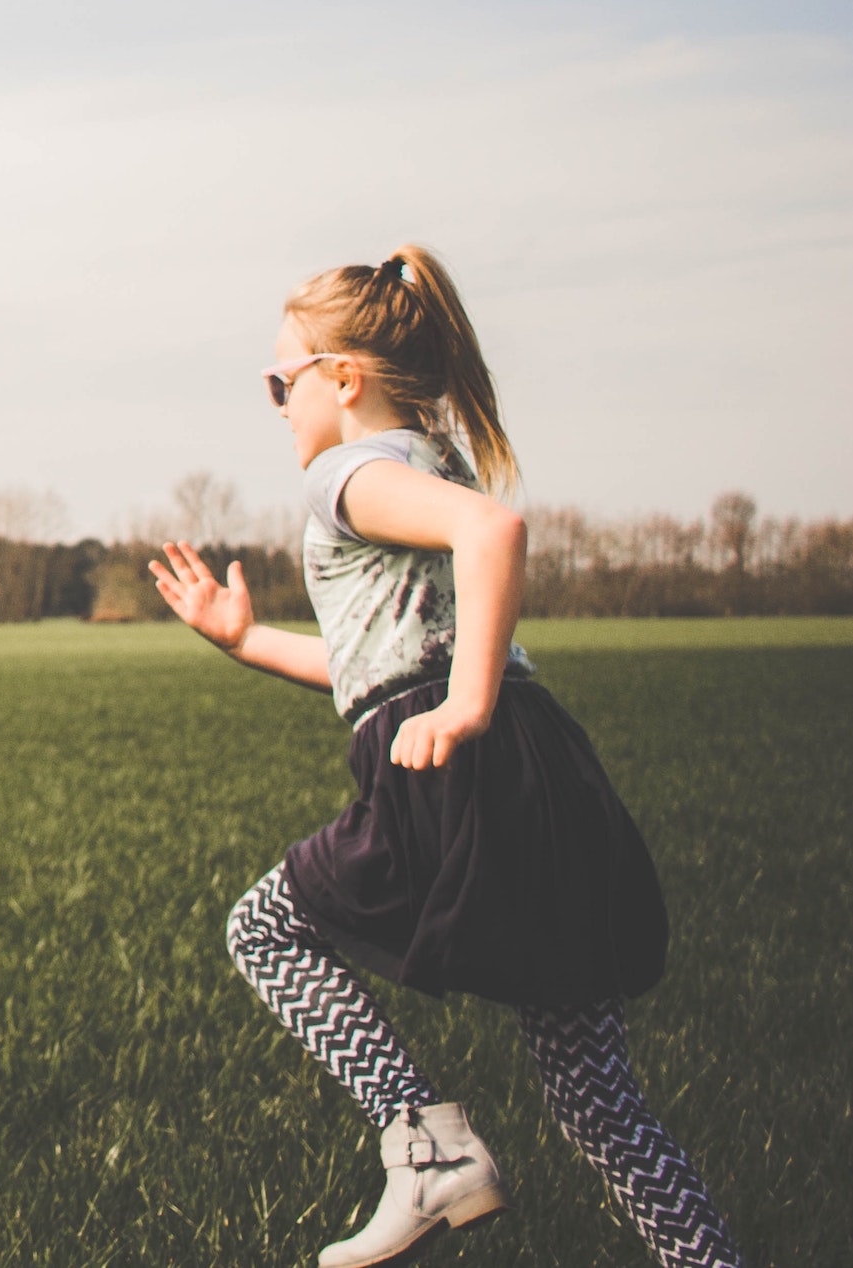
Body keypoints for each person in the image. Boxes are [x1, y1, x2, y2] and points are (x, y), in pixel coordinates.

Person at [147, 246, 742, 1268]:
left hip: (446, 767)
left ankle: (423, 1143)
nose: (276, 401)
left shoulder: (347, 474)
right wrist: (245, 640)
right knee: (595, 1095)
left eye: (279, 379)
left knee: (265, 930)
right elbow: (382, 661)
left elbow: (492, 534)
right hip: (536, 761)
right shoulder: (431, 457)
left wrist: (462, 710)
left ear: (344, 377)